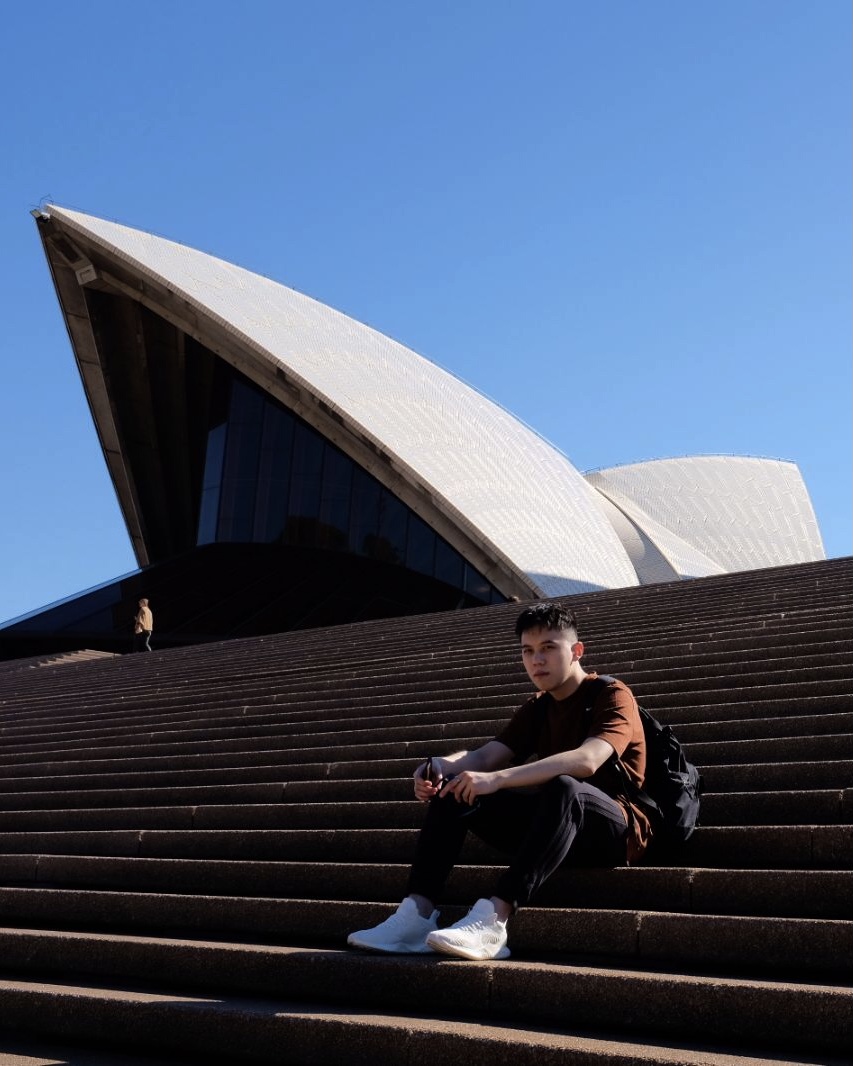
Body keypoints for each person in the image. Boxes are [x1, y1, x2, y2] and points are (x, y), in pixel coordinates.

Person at [348, 602, 650, 961]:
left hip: (615, 829)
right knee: (457, 786)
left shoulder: (611, 694)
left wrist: (498, 779)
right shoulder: (538, 707)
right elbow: (486, 757)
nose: (537, 660)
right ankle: (417, 914)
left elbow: (588, 760)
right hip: (551, 828)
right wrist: (442, 766)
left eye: (548, 648)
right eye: (528, 651)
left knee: (565, 786)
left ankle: (493, 920)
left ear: (576, 651)